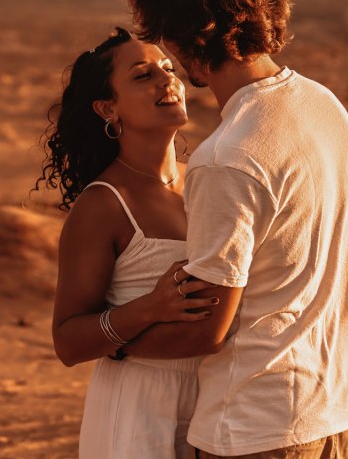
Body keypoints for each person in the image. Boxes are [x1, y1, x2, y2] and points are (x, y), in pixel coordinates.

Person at [121, 0, 348, 458]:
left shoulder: (226, 158)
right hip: (336, 416)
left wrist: (112, 342)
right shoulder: (325, 106)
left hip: (256, 430)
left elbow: (207, 329)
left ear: (186, 36)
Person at [36, 27, 218, 459]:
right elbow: (68, 341)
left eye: (169, 68)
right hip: (139, 410)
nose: (166, 80)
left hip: (218, 399)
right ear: (107, 108)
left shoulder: (209, 179)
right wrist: (148, 309)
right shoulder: (103, 205)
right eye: (142, 75)